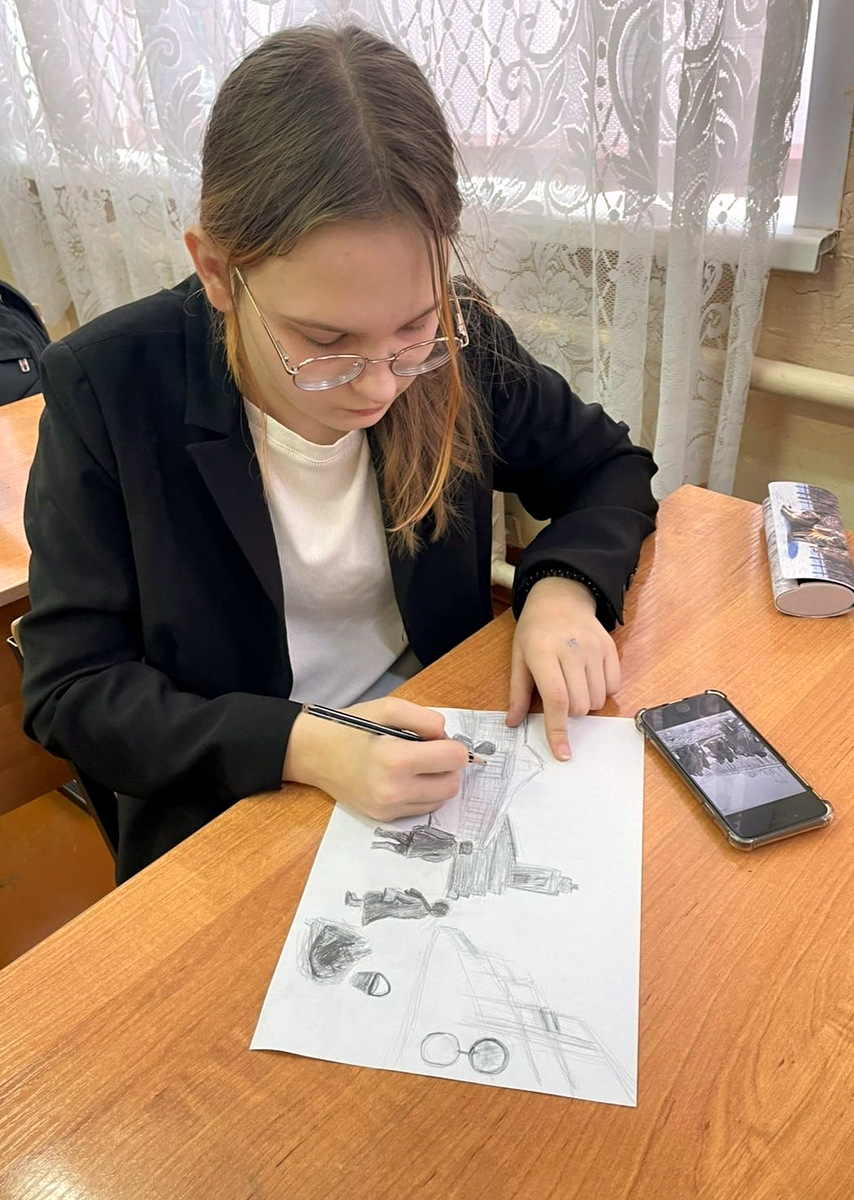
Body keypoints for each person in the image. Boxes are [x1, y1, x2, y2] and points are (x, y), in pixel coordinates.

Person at [20, 25, 658, 884]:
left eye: (413, 328)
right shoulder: (109, 388)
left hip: (441, 756)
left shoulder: (460, 342)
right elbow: (73, 690)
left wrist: (563, 588)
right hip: (239, 804)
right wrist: (309, 744)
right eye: (324, 342)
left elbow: (609, 467)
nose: (381, 385)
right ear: (217, 272)